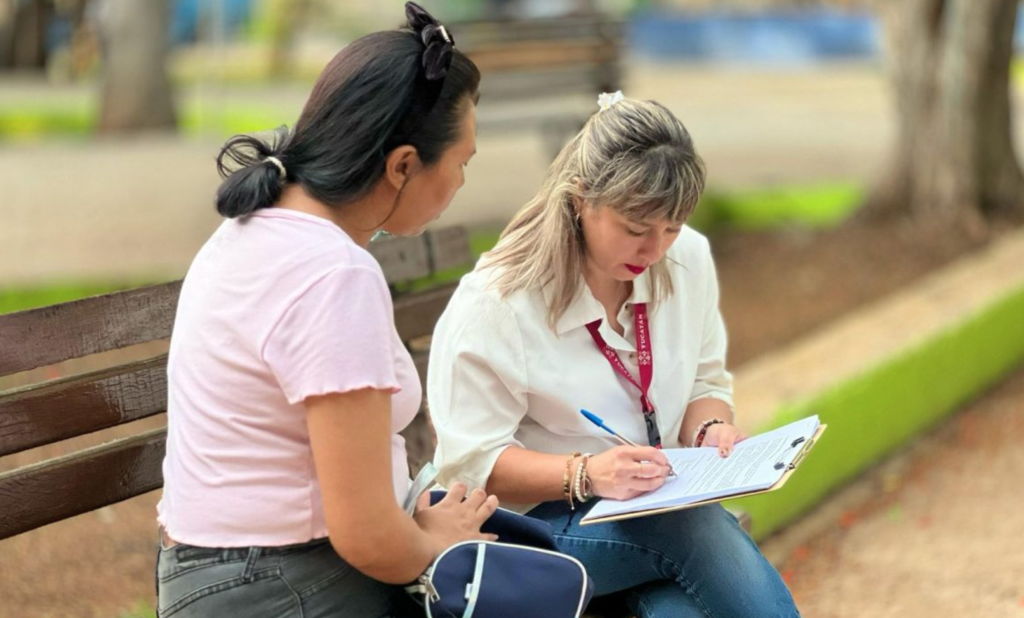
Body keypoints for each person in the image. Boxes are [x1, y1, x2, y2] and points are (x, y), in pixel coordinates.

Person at [155, 4, 498, 618]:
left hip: (231, 574)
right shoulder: (333, 275)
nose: (463, 182)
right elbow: (367, 537)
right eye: (463, 162)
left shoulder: (256, 227)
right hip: (279, 584)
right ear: (402, 165)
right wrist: (436, 542)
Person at [427, 93, 801, 617]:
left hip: (651, 509)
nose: (655, 251)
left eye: (671, 228)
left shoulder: (687, 258)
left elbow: (704, 382)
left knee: (681, 608)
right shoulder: (499, 302)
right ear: (582, 198)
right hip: (533, 532)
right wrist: (588, 474)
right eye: (635, 229)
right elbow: (471, 463)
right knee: (687, 527)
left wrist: (709, 429)